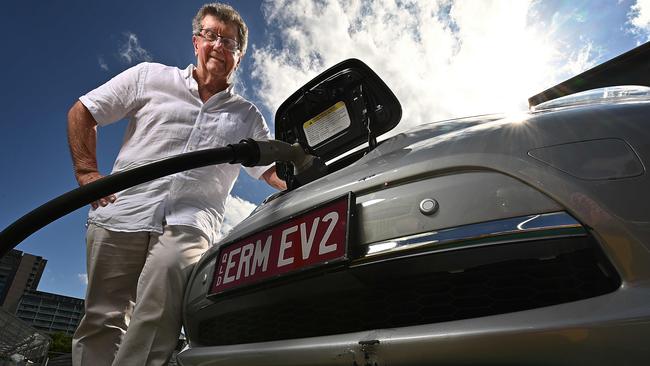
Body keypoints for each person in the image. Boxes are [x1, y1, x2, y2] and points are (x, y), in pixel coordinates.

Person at [67, 3, 285, 365]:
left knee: (159, 309)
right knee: (102, 317)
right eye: (211, 36)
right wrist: (87, 173)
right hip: (123, 210)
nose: (218, 46)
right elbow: (83, 111)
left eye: (228, 42)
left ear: (239, 56)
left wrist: (308, 177)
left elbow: (271, 171)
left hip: (189, 223)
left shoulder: (247, 115)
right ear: (195, 41)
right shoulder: (149, 77)